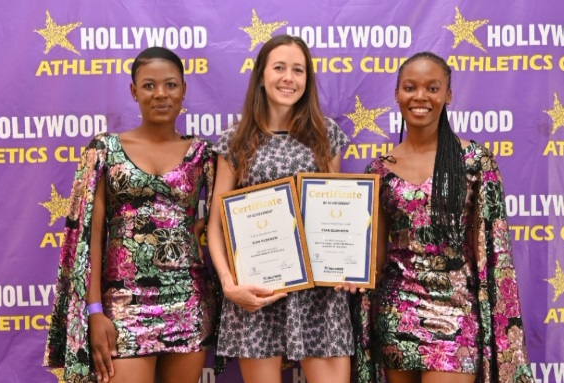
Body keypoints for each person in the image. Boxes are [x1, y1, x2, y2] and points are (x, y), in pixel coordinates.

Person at [351, 52, 534, 383]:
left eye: (432, 88)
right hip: (396, 312)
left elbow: (494, 252)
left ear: (447, 95)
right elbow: (374, 255)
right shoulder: (379, 169)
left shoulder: (475, 162)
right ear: (397, 94)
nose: (420, 97)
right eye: (410, 87)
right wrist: (351, 271)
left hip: (455, 311)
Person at [44, 47, 220, 383]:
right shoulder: (104, 149)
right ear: (134, 91)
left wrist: (199, 230)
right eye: (149, 85)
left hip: (188, 300)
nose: (160, 94)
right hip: (123, 304)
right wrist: (95, 311)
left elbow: (221, 221)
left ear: (183, 90)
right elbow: (90, 238)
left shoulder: (203, 154)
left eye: (170, 85)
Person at [206, 34, 353, 383]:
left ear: (308, 79)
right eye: (280, 68)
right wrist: (229, 285)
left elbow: (339, 208)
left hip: (321, 295)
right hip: (258, 291)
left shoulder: (326, 136)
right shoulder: (235, 140)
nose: (289, 77)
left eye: (298, 70)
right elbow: (216, 225)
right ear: (261, 75)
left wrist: (347, 264)